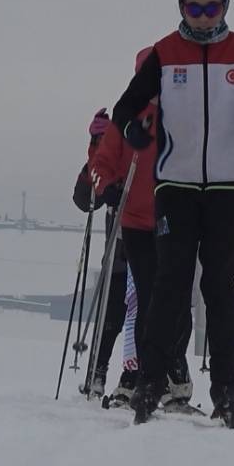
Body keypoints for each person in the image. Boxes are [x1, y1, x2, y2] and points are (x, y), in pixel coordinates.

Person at [110, 0, 234, 427]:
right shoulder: (167, 52)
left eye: (213, 7)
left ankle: (226, 389)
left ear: (225, 7)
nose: (205, 16)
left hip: (230, 185)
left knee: (218, 284)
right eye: (196, 7)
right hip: (177, 185)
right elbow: (127, 106)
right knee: (170, 283)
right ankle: (150, 381)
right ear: (182, 7)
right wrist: (132, 127)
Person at [91, 47, 196, 411]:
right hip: (135, 222)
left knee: (177, 300)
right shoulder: (128, 117)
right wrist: (107, 186)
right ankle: (140, 377)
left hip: (174, 220)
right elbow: (101, 164)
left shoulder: (180, 116)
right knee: (147, 301)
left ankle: (174, 378)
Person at [71, 109, 129, 398]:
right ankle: (97, 374)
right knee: (112, 314)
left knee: (146, 315)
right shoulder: (114, 151)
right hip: (120, 248)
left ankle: (150, 379)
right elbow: (84, 198)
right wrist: (98, 148)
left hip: (150, 243)